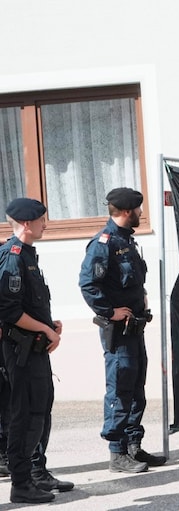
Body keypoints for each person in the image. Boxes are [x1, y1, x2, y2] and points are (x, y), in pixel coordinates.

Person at [78, 187, 166, 473]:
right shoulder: (103, 243)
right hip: (119, 332)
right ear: (127, 211)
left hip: (135, 328)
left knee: (136, 388)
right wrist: (109, 311)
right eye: (138, 209)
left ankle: (133, 446)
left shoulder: (126, 241)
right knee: (120, 388)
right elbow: (89, 285)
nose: (141, 214)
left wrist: (139, 297)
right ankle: (117, 454)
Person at [0, 198, 73, 504]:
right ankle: (21, 482)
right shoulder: (12, 257)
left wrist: (48, 323)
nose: (46, 224)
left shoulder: (27, 255)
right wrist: (43, 329)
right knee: (25, 415)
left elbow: (28, 303)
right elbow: (10, 310)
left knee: (39, 412)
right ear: (27, 225)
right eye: (42, 220)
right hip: (22, 351)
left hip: (35, 348)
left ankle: (33, 474)